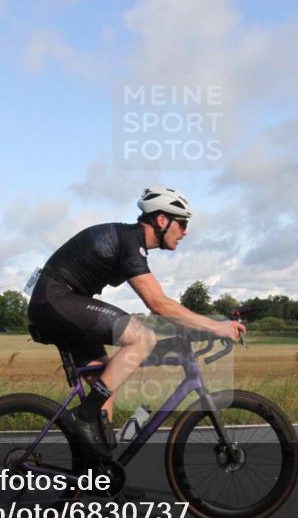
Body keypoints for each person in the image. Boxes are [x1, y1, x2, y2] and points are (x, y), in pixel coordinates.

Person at [27, 186, 246, 459]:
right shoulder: (131, 241)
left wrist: (205, 325)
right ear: (162, 220)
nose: (186, 231)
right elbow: (157, 303)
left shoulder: (131, 242)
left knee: (104, 385)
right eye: (183, 223)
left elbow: (162, 304)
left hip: (60, 302)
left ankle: (102, 474)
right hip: (55, 301)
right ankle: (82, 417)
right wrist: (216, 326)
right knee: (142, 338)